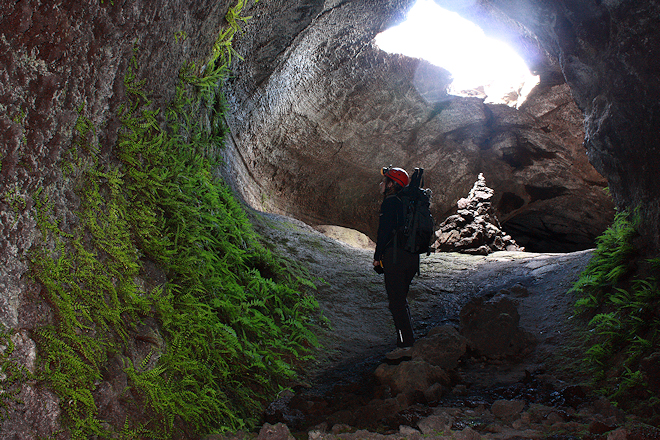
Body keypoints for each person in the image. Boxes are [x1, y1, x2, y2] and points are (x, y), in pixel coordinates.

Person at [373, 166, 419, 360]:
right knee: (401, 301)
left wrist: (377, 257)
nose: (381, 184)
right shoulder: (409, 203)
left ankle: (405, 345)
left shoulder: (390, 203)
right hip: (411, 258)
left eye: (385, 181)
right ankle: (407, 341)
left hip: (395, 258)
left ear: (392, 185)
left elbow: (384, 232)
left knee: (396, 303)